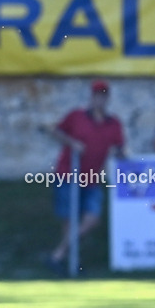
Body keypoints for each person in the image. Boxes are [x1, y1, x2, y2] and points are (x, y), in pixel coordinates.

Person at [48, 80, 126, 267]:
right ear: (92, 97)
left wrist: (121, 153)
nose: (100, 99)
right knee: (69, 219)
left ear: (108, 98)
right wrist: (72, 142)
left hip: (92, 178)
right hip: (69, 173)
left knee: (92, 218)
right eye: (97, 95)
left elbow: (120, 146)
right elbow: (56, 131)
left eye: (104, 96)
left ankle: (59, 254)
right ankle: (71, 261)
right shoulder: (77, 116)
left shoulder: (113, 123)